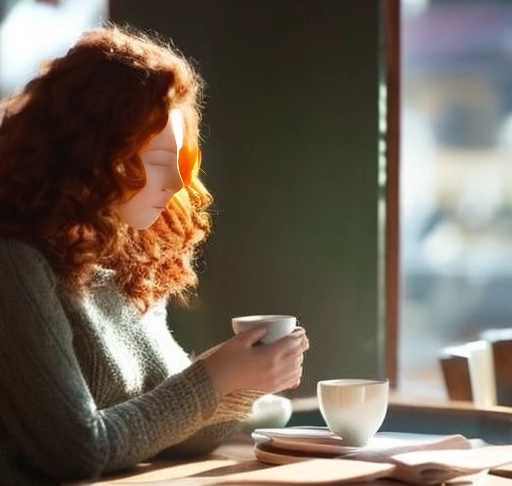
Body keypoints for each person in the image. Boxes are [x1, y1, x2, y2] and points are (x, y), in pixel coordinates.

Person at [0, 24, 309, 486]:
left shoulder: (127, 259)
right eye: (161, 163)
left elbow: (165, 433)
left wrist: (241, 381)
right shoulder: (15, 262)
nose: (179, 185)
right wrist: (212, 378)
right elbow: (77, 451)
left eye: (182, 163)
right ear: (92, 152)